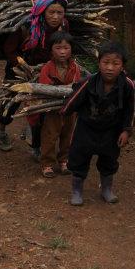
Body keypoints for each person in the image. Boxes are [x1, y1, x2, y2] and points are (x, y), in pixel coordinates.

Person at [61, 41, 135, 206]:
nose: (110, 67)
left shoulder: (128, 86)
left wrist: (126, 131)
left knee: (109, 159)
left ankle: (107, 189)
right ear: (99, 63)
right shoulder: (89, 82)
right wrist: (64, 112)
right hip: (86, 128)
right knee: (79, 158)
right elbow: (73, 99)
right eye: (106, 62)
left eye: (115, 63)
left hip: (112, 129)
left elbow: (130, 110)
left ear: (122, 66)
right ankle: (77, 190)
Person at [0, 0, 69, 152]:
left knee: (41, 107)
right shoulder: (26, 25)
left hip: (45, 70)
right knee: (11, 103)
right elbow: (9, 50)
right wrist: (24, 66)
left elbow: (63, 46)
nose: (56, 17)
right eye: (52, 12)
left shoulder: (64, 26)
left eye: (60, 12)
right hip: (19, 69)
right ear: (43, 10)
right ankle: (1, 130)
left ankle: (35, 144)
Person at [32, 31, 81, 178]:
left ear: (71, 49)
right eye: (58, 48)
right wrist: (62, 91)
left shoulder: (75, 68)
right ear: (51, 50)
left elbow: (76, 86)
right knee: (50, 136)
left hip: (70, 109)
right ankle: (47, 164)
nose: (62, 52)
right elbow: (44, 87)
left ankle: (64, 161)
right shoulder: (47, 68)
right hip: (52, 110)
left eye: (66, 48)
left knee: (68, 135)